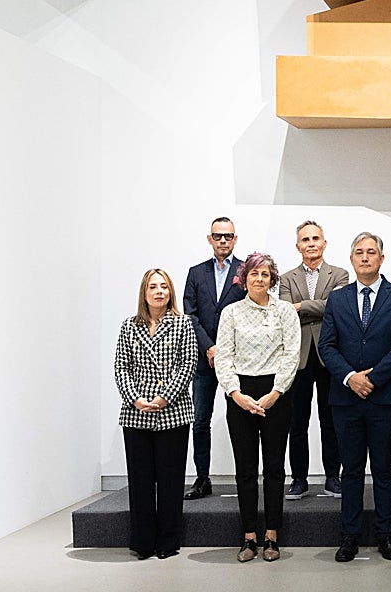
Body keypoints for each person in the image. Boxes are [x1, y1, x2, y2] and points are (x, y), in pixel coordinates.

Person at [319, 232, 391, 563]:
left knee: (384, 468)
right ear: (351, 259)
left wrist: (370, 379)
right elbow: (326, 346)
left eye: (371, 252)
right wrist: (349, 378)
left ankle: (386, 535)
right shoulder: (338, 298)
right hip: (345, 399)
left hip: (384, 397)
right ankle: (350, 536)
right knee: (351, 471)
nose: (364, 257)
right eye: (359, 252)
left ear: (381, 259)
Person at [214, 252, 301, 563]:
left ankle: (272, 535)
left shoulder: (285, 312)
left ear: (272, 279)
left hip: (276, 396)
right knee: (246, 470)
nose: (260, 279)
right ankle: (249, 535)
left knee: (275, 469)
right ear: (244, 278)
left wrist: (275, 393)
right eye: (254, 274)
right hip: (241, 396)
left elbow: (291, 354)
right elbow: (223, 357)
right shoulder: (231, 313)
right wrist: (236, 394)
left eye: (265, 274)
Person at [114, 268, 196, 560]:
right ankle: (143, 542)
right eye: (153, 287)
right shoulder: (128, 326)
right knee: (141, 481)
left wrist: (163, 398)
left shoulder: (183, 324)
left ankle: (167, 542)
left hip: (172, 413)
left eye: (164, 286)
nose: (159, 291)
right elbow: (121, 368)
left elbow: (187, 366)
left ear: (170, 292)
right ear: (144, 293)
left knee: (170, 481)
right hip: (136, 414)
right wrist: (135, 398)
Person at [278, 220, 350, 500]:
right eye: (305, 239)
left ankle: (333, 477)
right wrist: (313, 308)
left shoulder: (340, 274)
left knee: (330, 420)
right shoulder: (286, 278)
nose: (311, 243)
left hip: (330, 356)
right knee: (297, 423)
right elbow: (286, 311)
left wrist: (300, 307)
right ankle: (299, 479)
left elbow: (336, 305)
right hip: (298, 358)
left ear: (324, 243)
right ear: (298, 246)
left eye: (316, 238)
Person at [182, 216, 246, 501]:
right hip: (204, 358)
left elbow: (250, 311)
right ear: (210, 239)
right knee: (200, 420)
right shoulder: (196, 273)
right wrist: (209, 347)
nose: (223, 241)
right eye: (218, 236)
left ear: (235, 239)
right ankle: (202, 478)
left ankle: (245, 475)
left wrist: (225, 349)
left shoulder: (247, 271)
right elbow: (190, 314)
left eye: (228, 236)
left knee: (242, 419)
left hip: (238, 359)